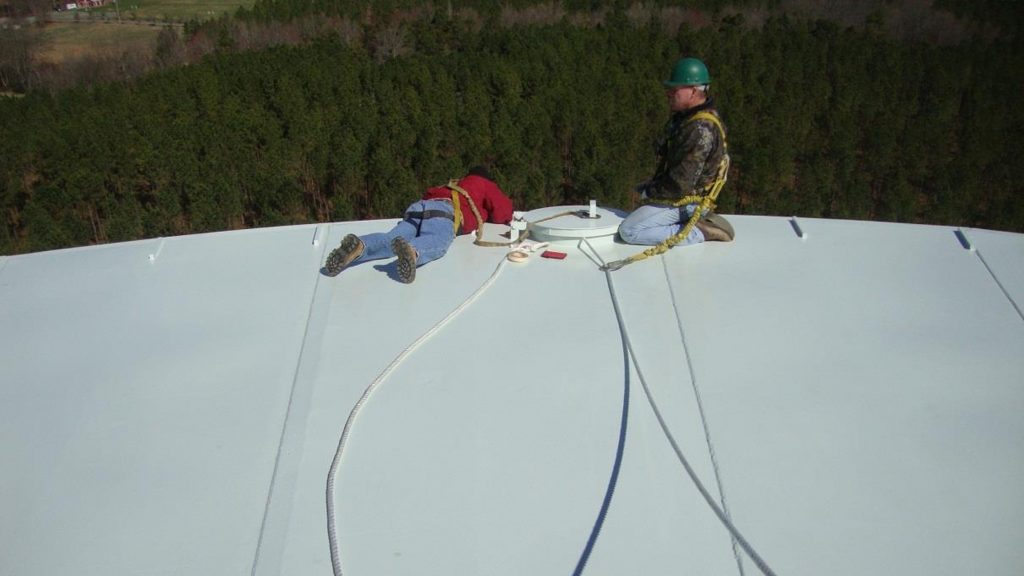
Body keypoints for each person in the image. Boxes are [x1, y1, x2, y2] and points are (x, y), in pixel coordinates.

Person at [322, 166, 513, 283]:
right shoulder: (483, 183)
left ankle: (361, 245)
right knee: (436, 239)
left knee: (392, 238)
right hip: (444, 212)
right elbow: (503, 211)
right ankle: (413, 252)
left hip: (418, 208)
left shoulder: (451, 184)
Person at [618, 57, 735, 247]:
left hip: (688, 201)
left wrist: (650, 192)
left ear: (693, 91)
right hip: (686, 195)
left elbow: (681, 184)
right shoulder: (695, 118)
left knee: (629, 231)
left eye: (675, 89)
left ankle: (699, 232)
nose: (669, 93)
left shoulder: (699, 128)